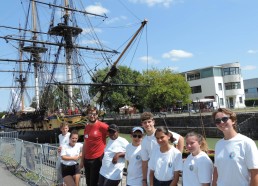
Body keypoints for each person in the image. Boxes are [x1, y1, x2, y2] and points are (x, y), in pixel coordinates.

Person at [212, 108, 258, 186]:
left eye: (224, 119)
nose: (221, 122)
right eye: (217, 121)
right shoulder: (218, 144)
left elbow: (255, 172)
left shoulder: (247, 142)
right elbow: (217, 169)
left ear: (233, 120)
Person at [140, 112, 184, 186]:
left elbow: (181, 139)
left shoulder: (162, 132)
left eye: (149, 122)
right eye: (144, 123)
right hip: (155, 176)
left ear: (153, 122)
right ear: (142, 124)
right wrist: (144, 180)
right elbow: (144, 162)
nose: (147, 124)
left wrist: (177, 157)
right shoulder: (144, 142)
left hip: (169, 176)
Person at [79, 106, 109, 186]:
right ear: (87, 115)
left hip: (97, 159)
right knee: (88, 183)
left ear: (97, 115)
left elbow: (114, 134)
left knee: (94, 183)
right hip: (87, 159)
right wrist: (82, 161)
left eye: (94, 114)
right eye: (90, 114)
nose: (92, 116)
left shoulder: (102, 126)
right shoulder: (87, 127)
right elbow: (85, 144)